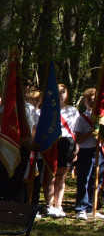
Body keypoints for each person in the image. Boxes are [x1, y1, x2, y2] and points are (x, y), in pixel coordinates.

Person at [45, 84, 79, 217]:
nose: (61, 95)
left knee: (61, 177)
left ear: (67, 94)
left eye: (63, 92)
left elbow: (76, 131)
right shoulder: (48, 110)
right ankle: (49, 205)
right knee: (51, 176)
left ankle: (58, 205)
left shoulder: (73, 110)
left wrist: (77, 147)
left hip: (68, 142)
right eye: (58, 92)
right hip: (53, 143)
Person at [73, 88, 102, 219]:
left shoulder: (101, 118)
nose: (92, 102)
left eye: (94, 99)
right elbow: (77, 139)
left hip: (99, 151)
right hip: (86, 151)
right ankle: (81, 208)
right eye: (89, 100)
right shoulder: (81, 118)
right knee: (84, 179)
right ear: (85, 102)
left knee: (96, 180)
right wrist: (91, 132)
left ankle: (91, 207)